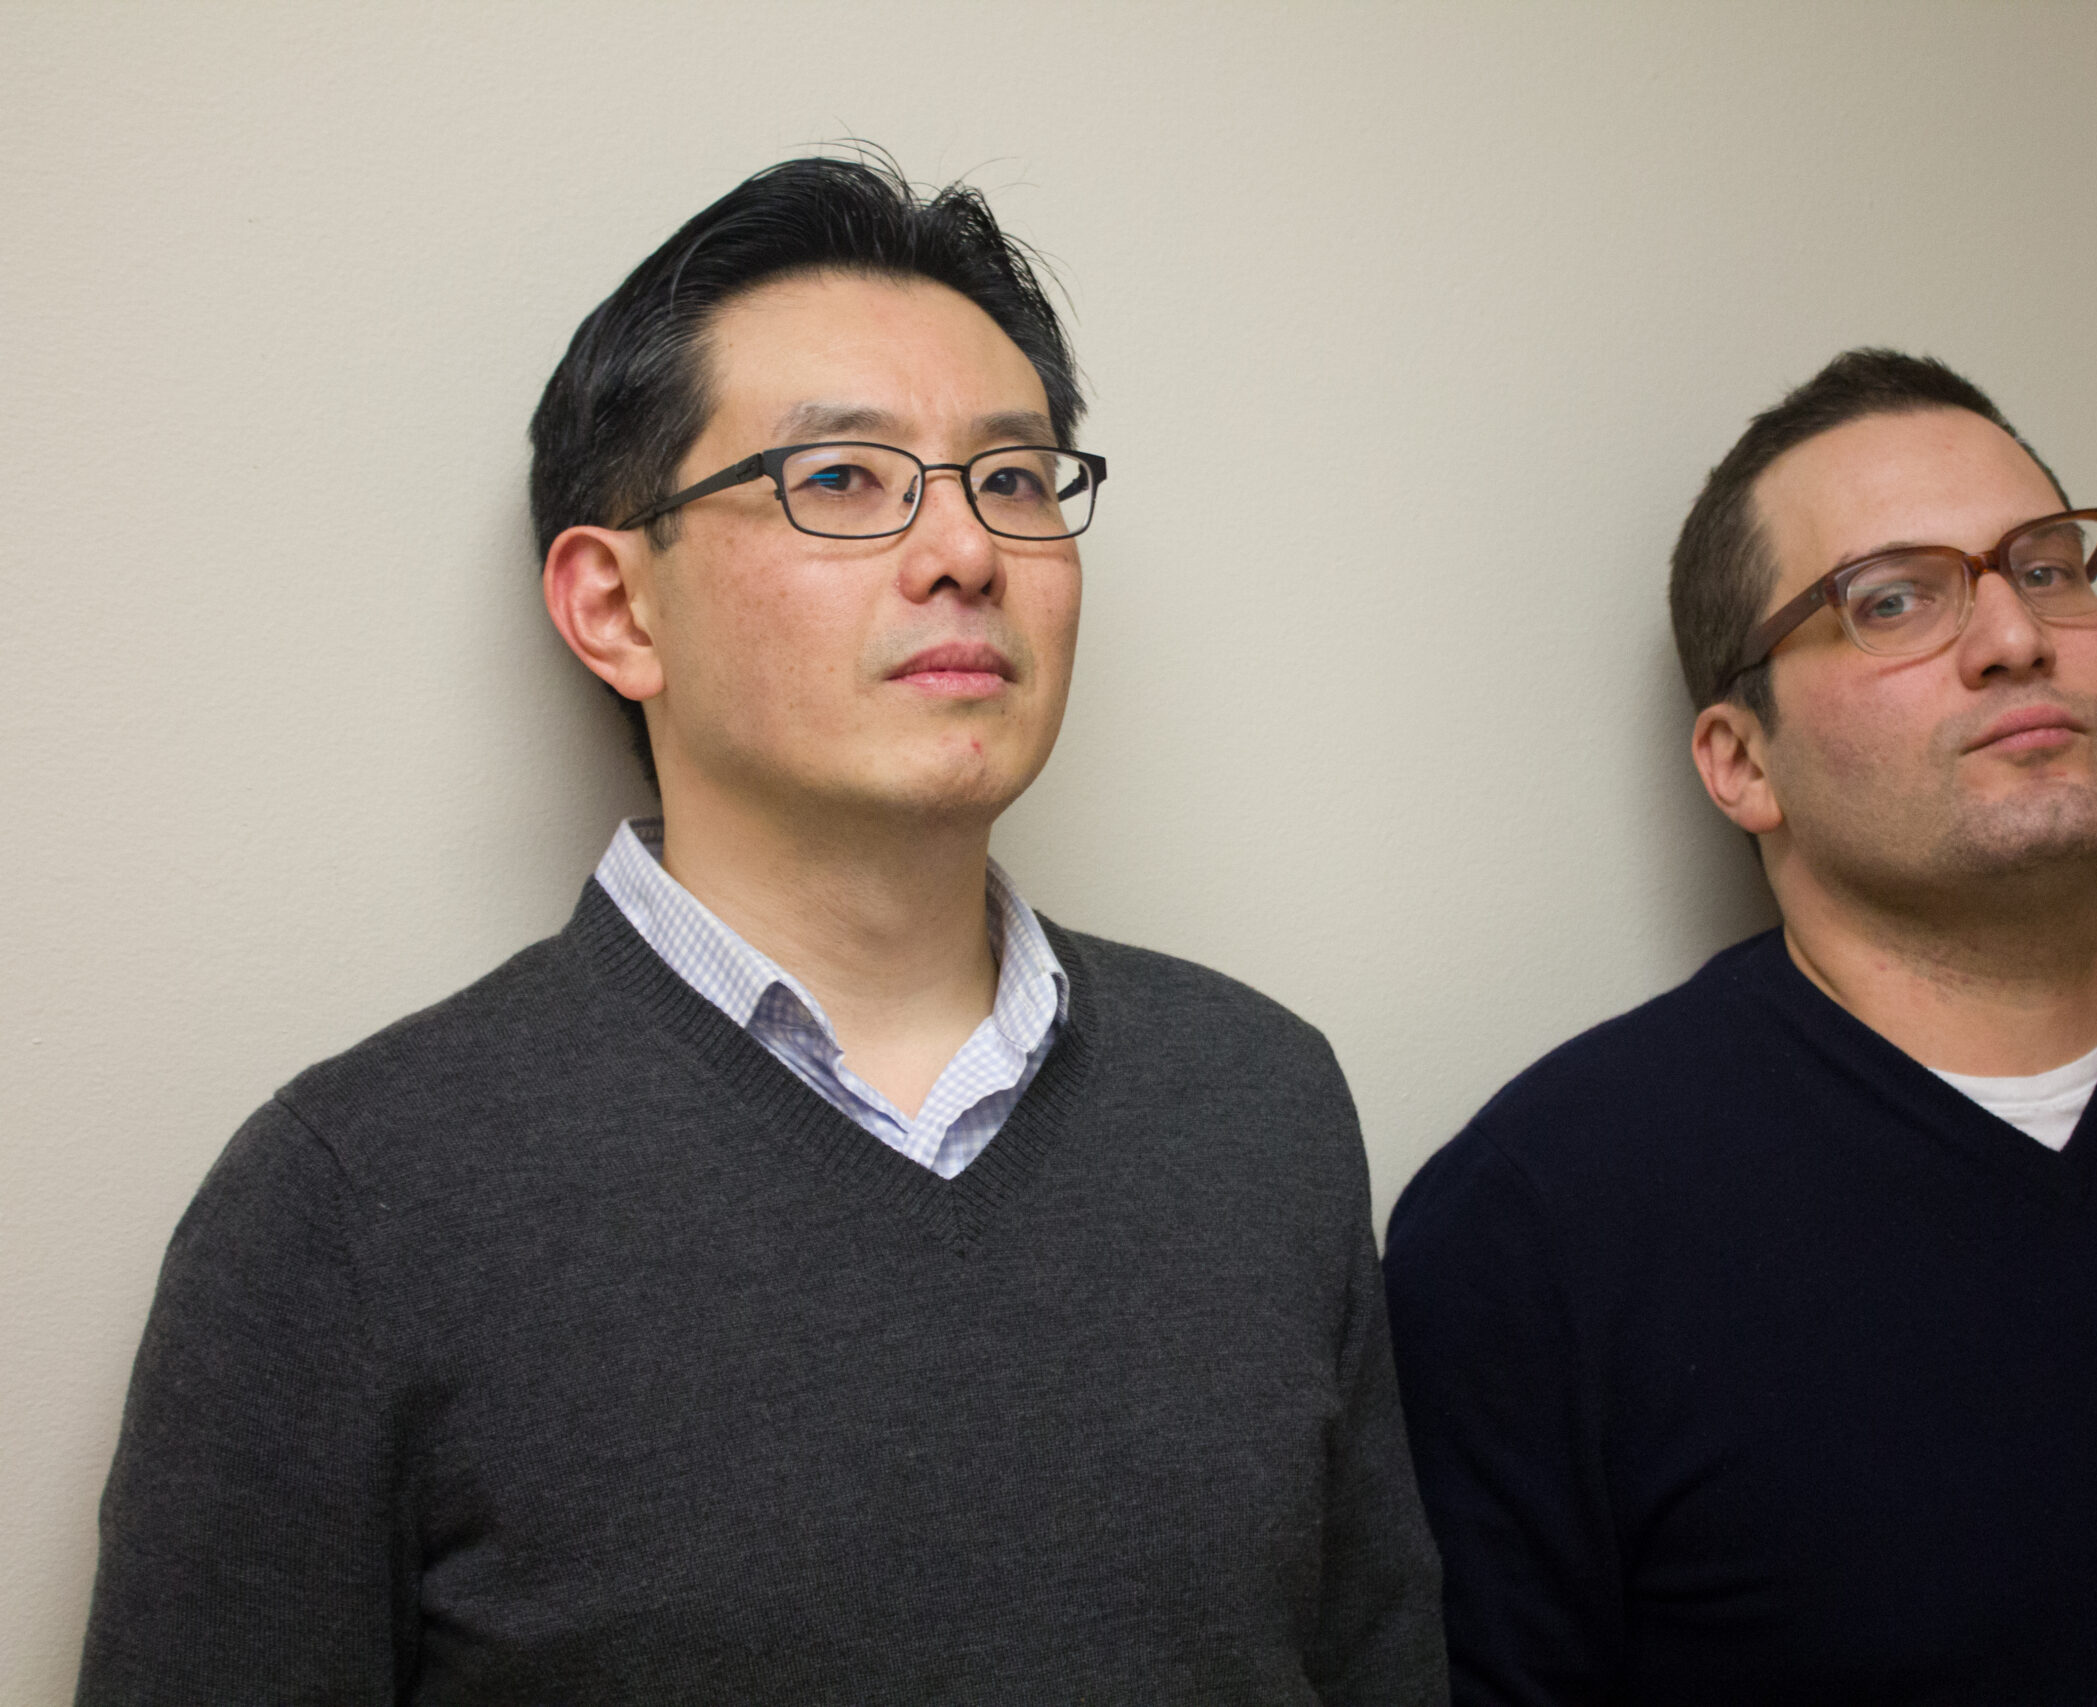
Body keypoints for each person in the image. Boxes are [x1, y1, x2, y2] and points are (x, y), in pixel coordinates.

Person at [78, 154, 1443, 1705]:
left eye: (1012, 480)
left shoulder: (1258, 1101)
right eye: (842, 478)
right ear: (616, 608)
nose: (967, 553)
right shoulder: (352, 1201)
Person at [1383, 348, 2097, 1702]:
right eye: (1892, 599)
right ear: (1743, 762)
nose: (2017, 635)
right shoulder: (1539, 1222)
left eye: (2048, 567)